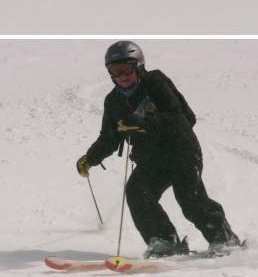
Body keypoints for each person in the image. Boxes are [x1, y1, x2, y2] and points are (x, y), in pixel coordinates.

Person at [76, 41, 240, 258]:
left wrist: (144, 122)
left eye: (126, 69)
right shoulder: (113, 101)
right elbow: (109, 137)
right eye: (115, 71)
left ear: (139, 66)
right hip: (152, 158)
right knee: (137, 191)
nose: (122, 76)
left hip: (181, 150)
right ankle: (164, 241)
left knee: (189, 199)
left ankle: (224, 240)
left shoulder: (155, 82)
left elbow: (181, 119)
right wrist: (90, 157)